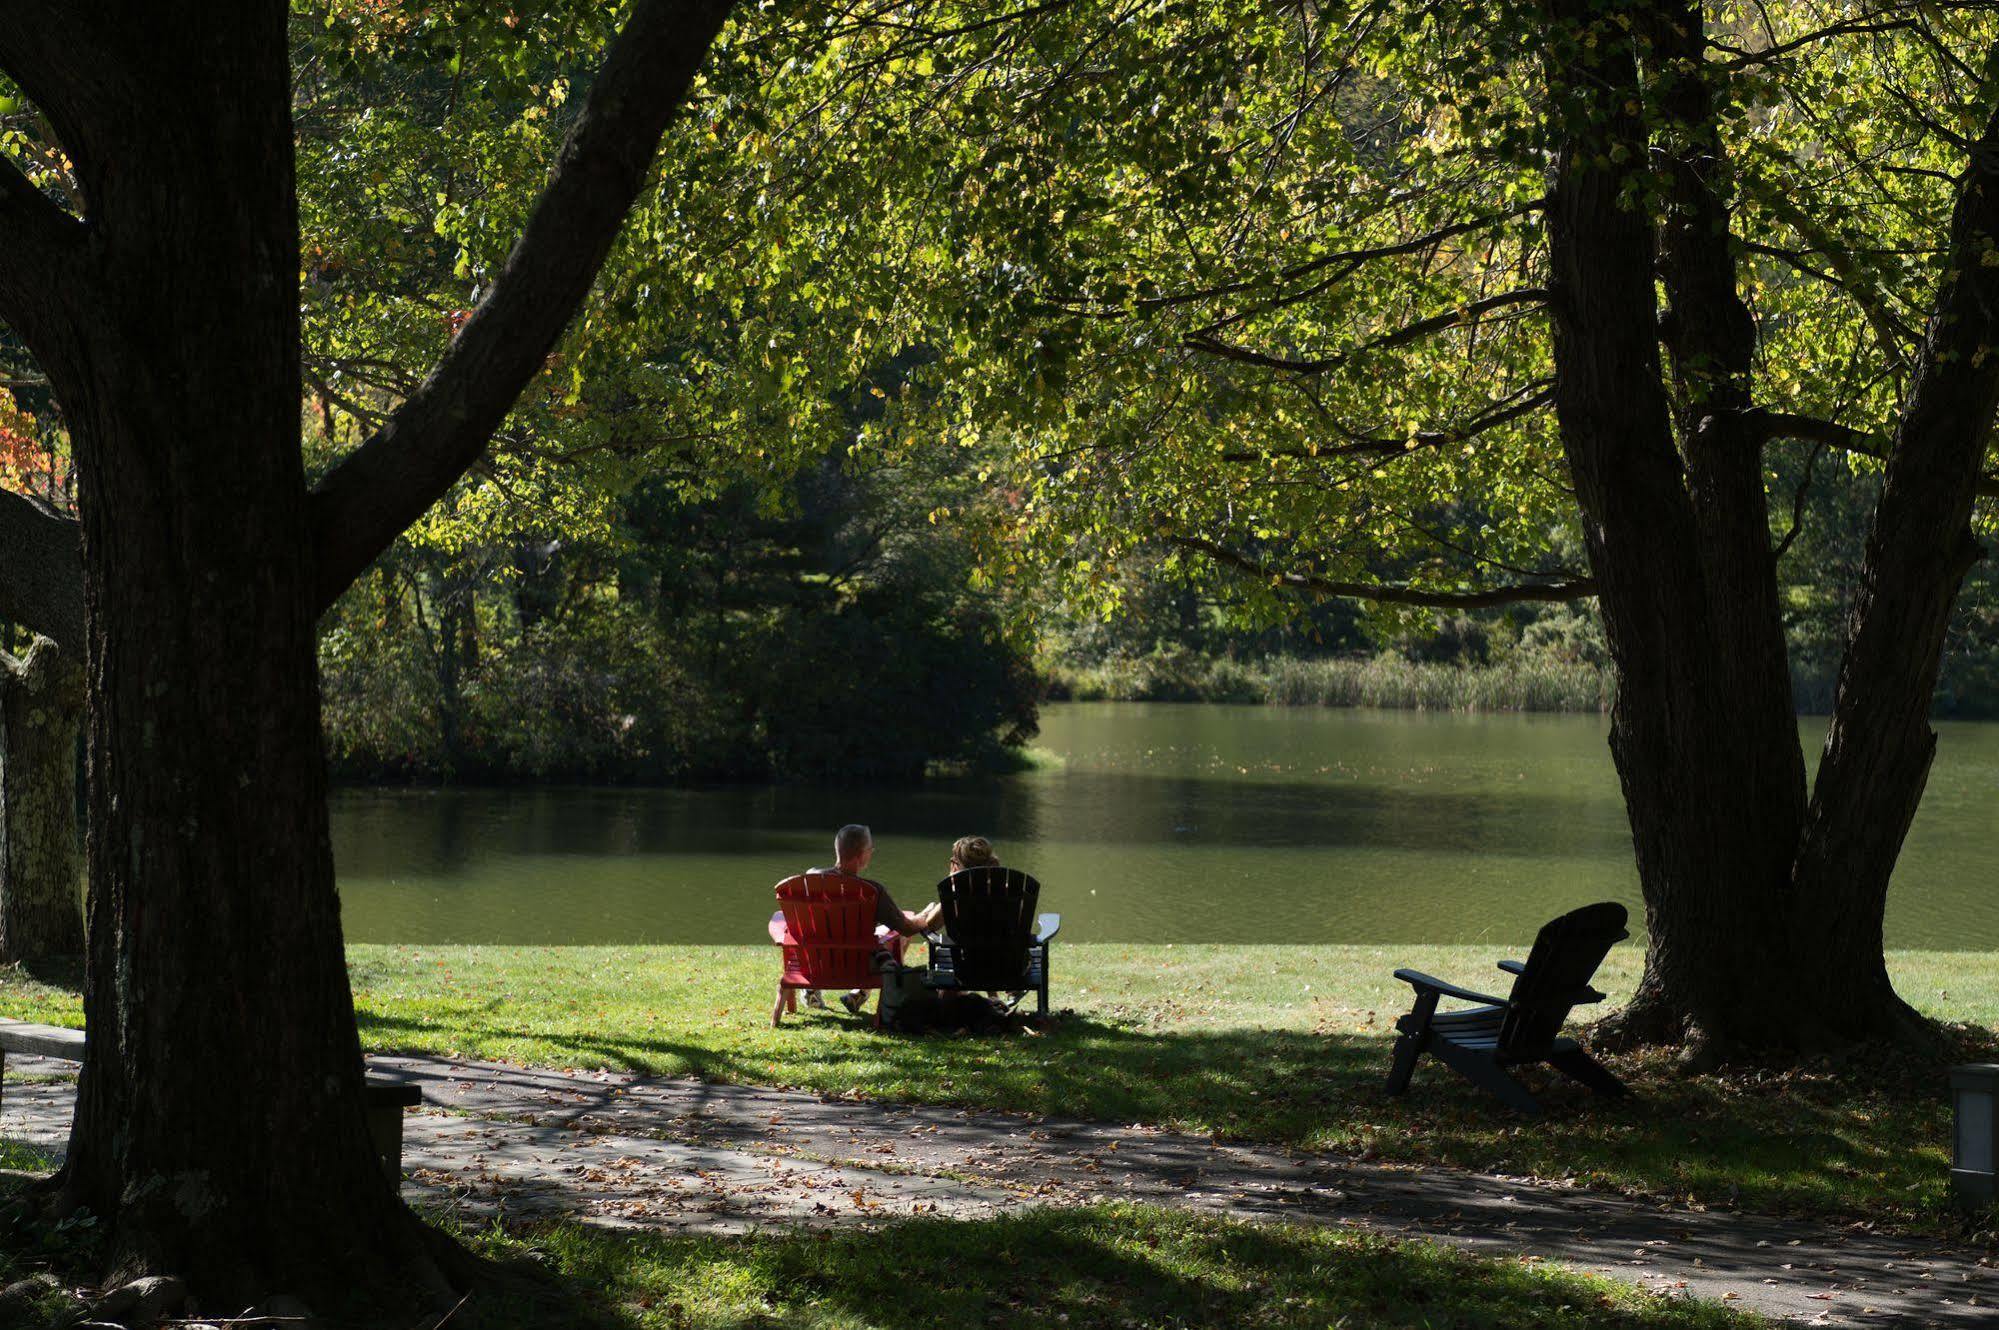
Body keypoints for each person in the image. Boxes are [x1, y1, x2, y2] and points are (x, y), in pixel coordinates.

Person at [801, 824, 939, 1016]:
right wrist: (924, 917)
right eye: (870, 849)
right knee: (900, 936)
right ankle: (859, 992)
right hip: (859, 966)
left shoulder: (812, 878)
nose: (871, 853)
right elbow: (906, 928)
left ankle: (812, 990)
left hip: (818, 962)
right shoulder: (871, 891)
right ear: (861, 855)